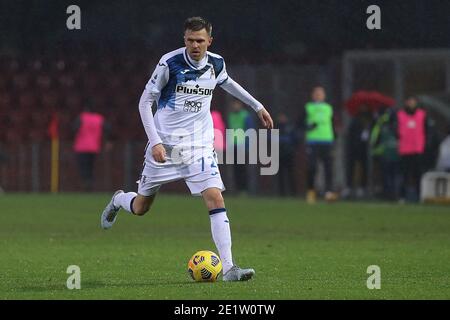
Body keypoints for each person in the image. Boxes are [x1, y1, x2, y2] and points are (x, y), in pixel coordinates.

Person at [100, 17, 273, 281]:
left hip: (198, 146)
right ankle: (119, 199)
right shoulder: (169, 63)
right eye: (191, 40)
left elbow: (228, 83)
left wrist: (257, 106)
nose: (195, 45)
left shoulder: (216, 63)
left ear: (209, 41)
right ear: (184, 40)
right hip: (166, 148)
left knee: (215, 198)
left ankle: (229, 268)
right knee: (141, 207)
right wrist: (156, 141)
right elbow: (144, 103)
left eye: (200, 41)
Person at [300, 86, 337, 203]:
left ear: (324, 95)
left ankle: (329, 193)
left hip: (327, 141)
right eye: (316, 93)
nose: (318, 95)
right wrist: (308, 127)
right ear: (313, 95)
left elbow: (333, 124)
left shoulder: (328, 108)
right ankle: (311, 191)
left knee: (328, 168)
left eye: (320, 93)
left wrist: (335, 137)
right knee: (312, 167)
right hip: (313, 141)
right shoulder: (308, 107)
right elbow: (300, 123)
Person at [395, 96, 430, 202]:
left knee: (418, 174)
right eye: (409, 101)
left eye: (413, 102)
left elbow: (427, 131)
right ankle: (402, 196)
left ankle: (420, 196)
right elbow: (395, 130)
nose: (411, 104)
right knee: (404, 175)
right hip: (405, 150)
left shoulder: (422, 115)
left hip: (418, 149)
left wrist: (425, 145)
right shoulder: (400, 115)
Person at [73, 99, 111, 191]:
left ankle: (85, 185)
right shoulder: (99, 118)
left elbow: (74, 128)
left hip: (81, 147)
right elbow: (108, 129)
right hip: (94, 147)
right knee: (91, 167)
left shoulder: (81, 117)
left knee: (83, 167)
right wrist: (108, 141)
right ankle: (90, 185)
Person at [227, 99, 255, 194]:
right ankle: (238, 189)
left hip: (242, 145)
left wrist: (248, 145)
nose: (235, 106)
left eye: (237, 104)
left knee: (243, 169)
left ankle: (245, 189)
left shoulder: (245, 115)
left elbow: (249, 130)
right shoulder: (230, 116)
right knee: (235, 169)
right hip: (233, 145)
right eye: (234, 104)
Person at [277, 112, 298, 196]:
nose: (282, 118)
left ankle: (293, 192)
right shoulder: (275, 126)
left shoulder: (290, 127)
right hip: (278, 153)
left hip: (289, 153)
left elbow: (295, 139)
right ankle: (282, 193)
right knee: (280, 174)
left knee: (290, 173)